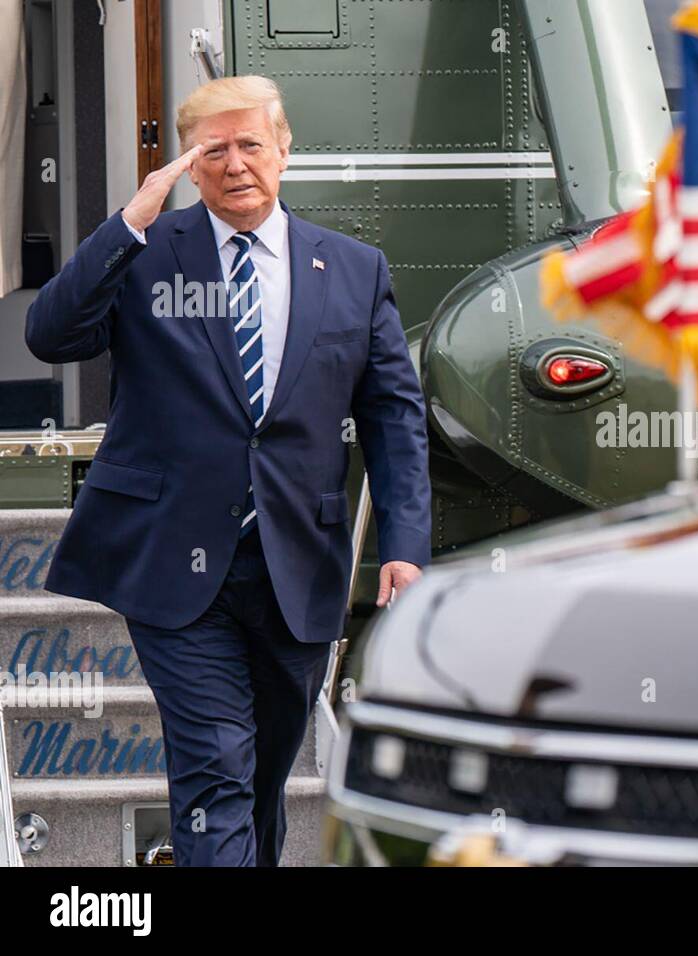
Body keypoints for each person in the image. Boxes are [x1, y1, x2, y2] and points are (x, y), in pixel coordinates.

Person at [25, 76, 432, 865]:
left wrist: (406, 544)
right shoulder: (146, 256)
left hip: (296, 566)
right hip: (174, 561)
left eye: (252, 144)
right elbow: (50, 333)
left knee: (264, 777)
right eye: (213, 150)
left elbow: (394, 417)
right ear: (188, 162)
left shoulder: (352, 269)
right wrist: (131, 220)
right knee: (216, 770)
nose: (235, 163)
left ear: (285, 150)